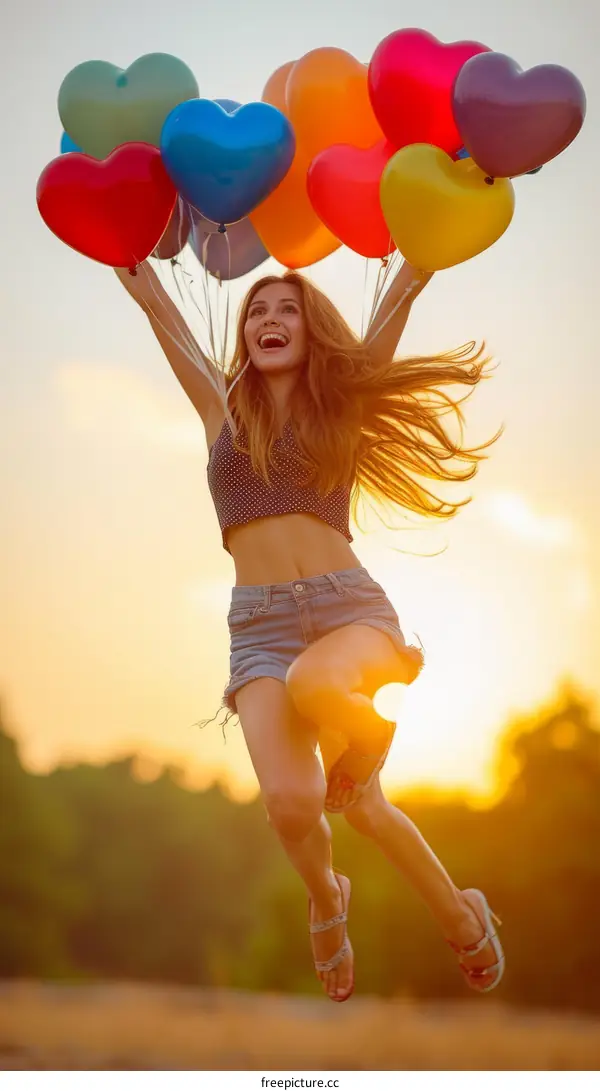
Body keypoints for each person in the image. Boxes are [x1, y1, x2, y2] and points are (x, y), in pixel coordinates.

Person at [114, 257, 505, 1003]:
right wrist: (134, 270)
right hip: (259, 630)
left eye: (287, 309)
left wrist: (412, 271)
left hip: (347, 611)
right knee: (307, 807)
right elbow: (164, 320)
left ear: (311, 329)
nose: (268, 319)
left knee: (320, 693)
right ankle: (331, 899)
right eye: (257, 310)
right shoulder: (219, 411)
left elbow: (388, 322)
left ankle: (455, 901)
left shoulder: (340, 408)